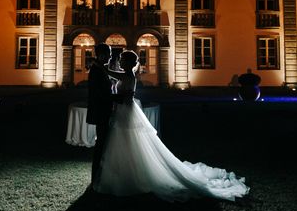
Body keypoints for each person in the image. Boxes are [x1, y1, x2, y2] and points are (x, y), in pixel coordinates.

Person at [95, 50, 249, 202]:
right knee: (125, 142)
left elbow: (114, 78)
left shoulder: (128, 75)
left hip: (126, 113)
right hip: (123, 112)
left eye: (122, 59)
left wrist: (100, 67)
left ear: (128, 63)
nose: (120, 61)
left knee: (128, 140)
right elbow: (112, 75)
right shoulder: (126, 74)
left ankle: (131, 174)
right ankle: (127, 172)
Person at [86, 43, 117, 188]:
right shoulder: (96, 70)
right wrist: (117, 98)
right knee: (101, 143)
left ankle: (100, 174)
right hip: (101, 111)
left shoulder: (100, 69)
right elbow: (101, 94)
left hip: (103, 110)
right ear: (102, 54)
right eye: (109, 53)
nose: (111, 56)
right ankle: (96, 177)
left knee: (103, 142)